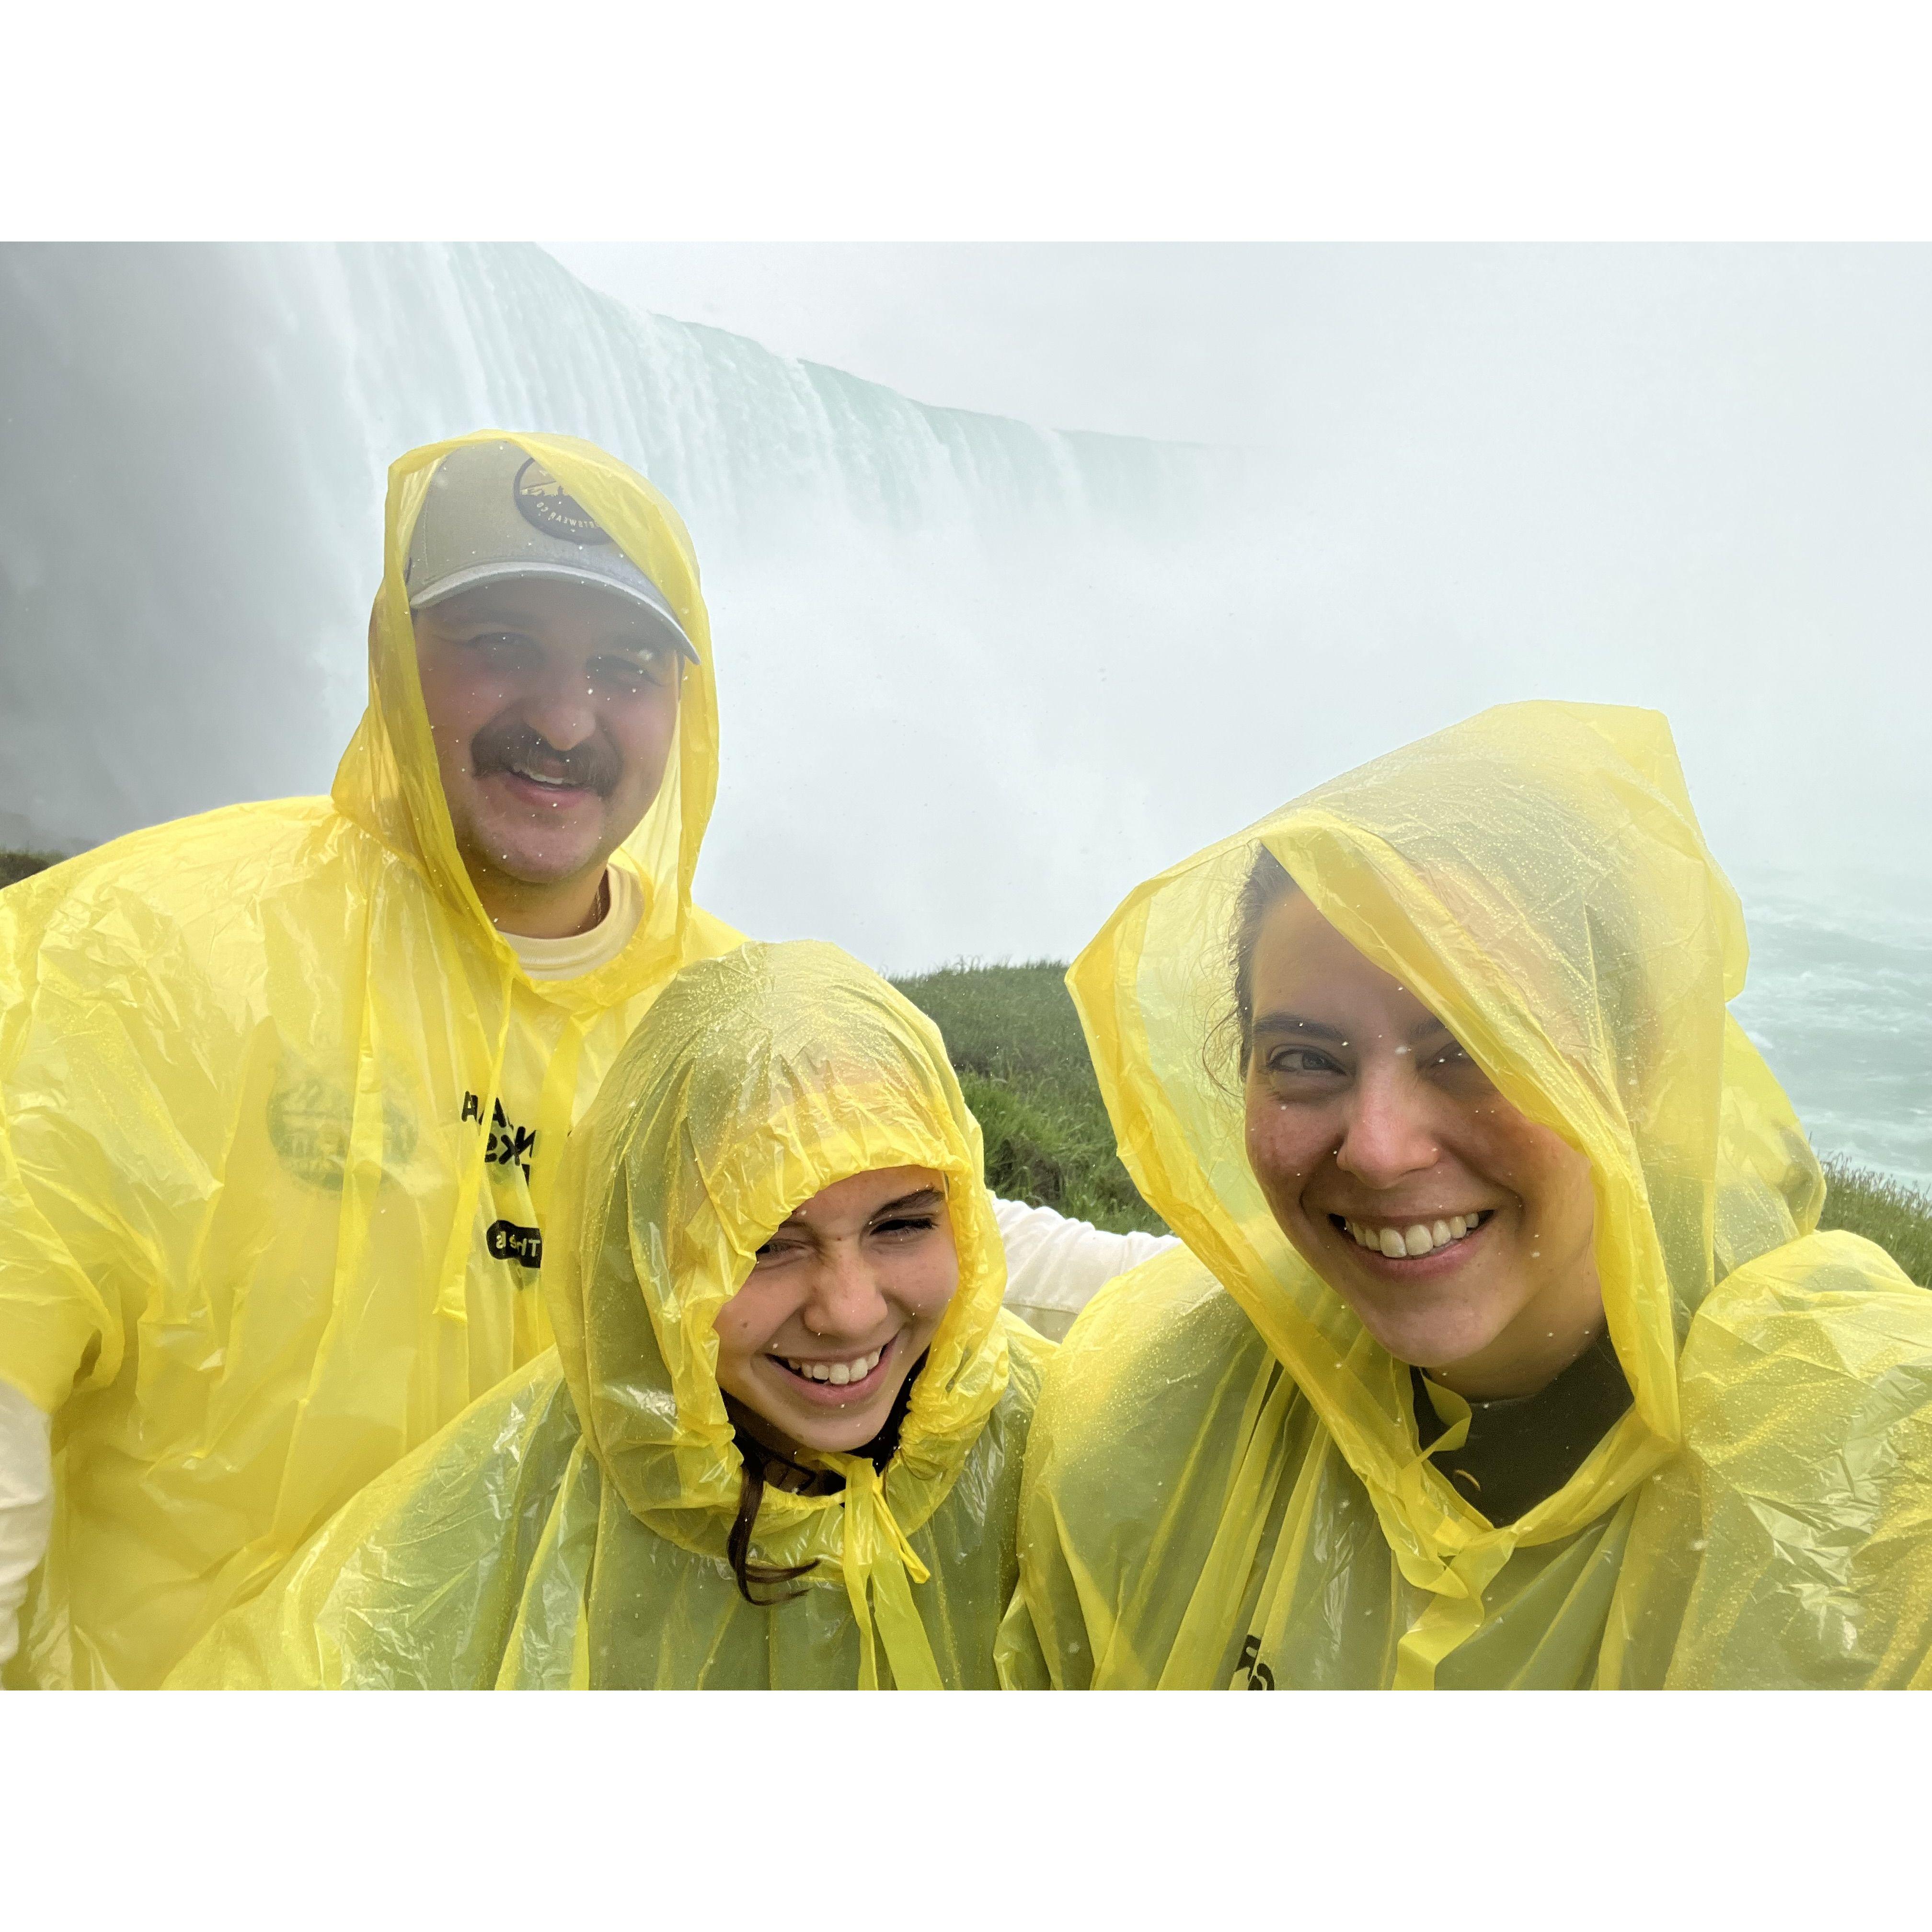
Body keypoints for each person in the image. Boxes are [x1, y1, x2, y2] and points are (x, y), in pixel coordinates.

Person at [0, 430, 1161, 1688]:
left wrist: (1267, 1293)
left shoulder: (717, 1009)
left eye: (623, 668)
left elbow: (944, 1237)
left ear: (684, 700)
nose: (564, 719)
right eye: (502, 647)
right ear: (393, 656)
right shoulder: (139, 954)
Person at [997, 701, 1932, 1690]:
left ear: (1640, 1064)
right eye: (1306, 1059)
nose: (1382, 1149)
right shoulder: (1153, 1409)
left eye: (1479, 1048)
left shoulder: (1867, 1482)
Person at [172, 942, 1050, 1689]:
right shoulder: (513, 1497)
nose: (850, 1311)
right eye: (761, 1244)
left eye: (900, 1226)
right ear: (650, 1257)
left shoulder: (1052, 1448)